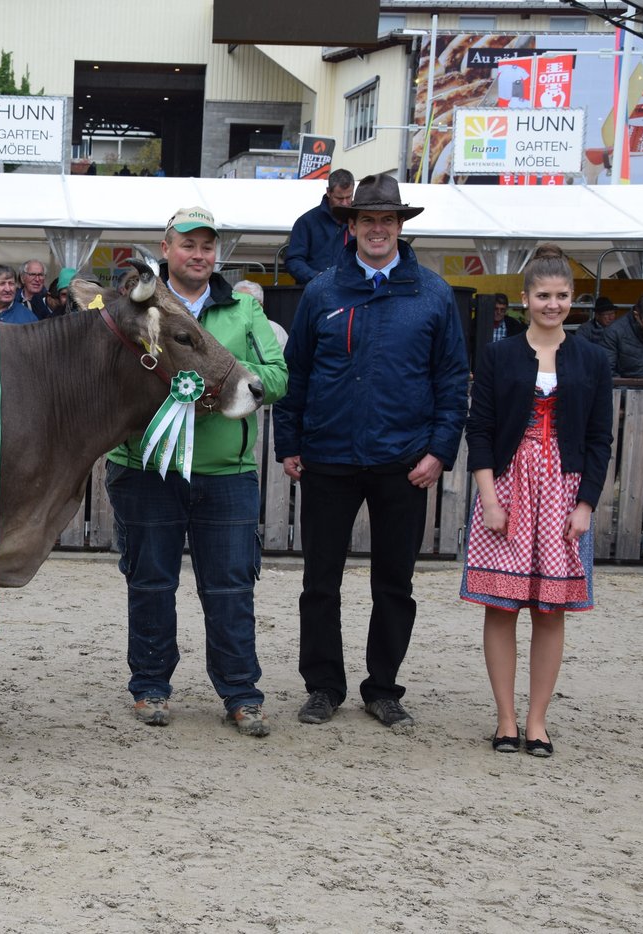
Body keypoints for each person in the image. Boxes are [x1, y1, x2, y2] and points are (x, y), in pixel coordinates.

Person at [274, 174, 470, 732]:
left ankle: (382, 688)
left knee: (394, 585)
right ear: (351, 227)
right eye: (367, 220)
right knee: (320, 582)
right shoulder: (323, 291)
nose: (377, 229)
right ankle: (324, 686)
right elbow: (299, 373)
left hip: (403, 463)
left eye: (387, 220)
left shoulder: (431, 293)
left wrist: (439, 450)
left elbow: (452, 381)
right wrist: (289, 442)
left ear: (400, 226)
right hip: (329, 458)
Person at [106, 206, 289, 736]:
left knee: (231, 587)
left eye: (208, 246)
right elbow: (109, 376)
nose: (200, 254)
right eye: (188, 245)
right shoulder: (135, 307)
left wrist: (219, 383)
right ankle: (150, 688)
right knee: (150, 582)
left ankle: (240, 693)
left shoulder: (244, 311)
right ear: (166, 250)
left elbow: (276, 379)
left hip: (225, 472)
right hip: (146, 466)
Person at [461, 245, 614, 759]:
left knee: (550, 612)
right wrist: (489, 499)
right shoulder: (500, 354)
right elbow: (479, 429)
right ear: (525, 299)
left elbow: (599, 439)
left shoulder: (592, 358)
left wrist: (585, 504)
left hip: (563, 493)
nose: (553, 304)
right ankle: (505, 719)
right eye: (543, 295)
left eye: (562, 296)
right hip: (506, 487)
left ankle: (537, 722)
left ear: (573, 300)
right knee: (502, 607)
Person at [285, 168, 355, 285]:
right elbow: (293, 260)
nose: (344, 203)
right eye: (339, 198)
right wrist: (316, 278)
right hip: (314, 293)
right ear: (328, 192)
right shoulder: (306, 222)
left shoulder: (359, 221)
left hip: (349, 291)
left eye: (348, 197)